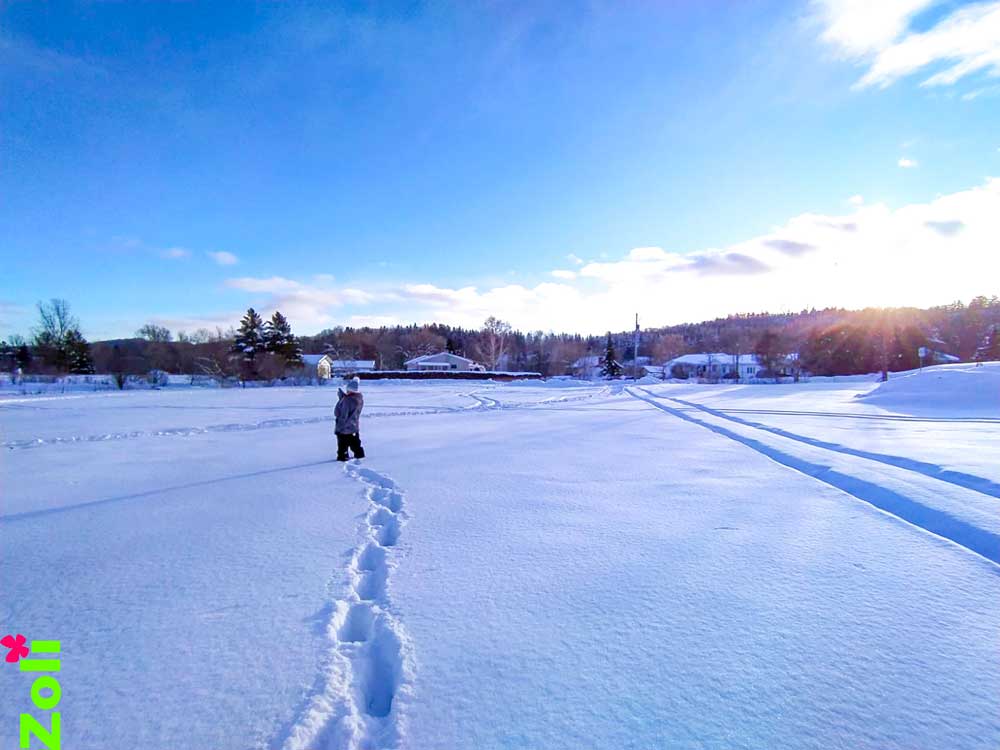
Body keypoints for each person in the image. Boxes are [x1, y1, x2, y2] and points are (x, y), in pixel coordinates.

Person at [335, 376, 366, 462]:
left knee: (342, 444)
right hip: (354, 426)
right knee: (355, 443)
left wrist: (339, 428)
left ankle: (343, 457)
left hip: (345, 427)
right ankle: (359, 454)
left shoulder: (347, 400)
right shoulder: (359, 398)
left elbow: (342, 414)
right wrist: (343, 397)